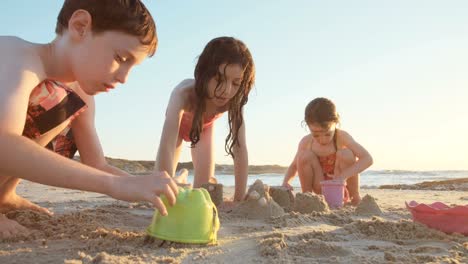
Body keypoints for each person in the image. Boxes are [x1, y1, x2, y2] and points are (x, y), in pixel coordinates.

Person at [0, 0, 179, 238]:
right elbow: (4, 143)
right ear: (80, 26)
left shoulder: (77, 92)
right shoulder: (16, 55)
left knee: (65, 100)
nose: (125, 78)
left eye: (132, 68)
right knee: (51, 100)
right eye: (120, 57)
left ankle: (4, 195)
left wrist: (146, 185)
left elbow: (96, 165)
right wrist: (114, 186)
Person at [154, 37, 255, 201]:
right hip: (176, 131)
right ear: (204, 73)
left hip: (204, 129)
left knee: (202, 189)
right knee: (162, 186)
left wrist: (238, 198)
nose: (226, 91)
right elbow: (167, 144)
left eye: (236, 83)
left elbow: (240, 147)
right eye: (219, 80)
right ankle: (180, 177)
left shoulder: (233, 102)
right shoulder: (183, 94)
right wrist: (165, 193)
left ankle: (184, 178)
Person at [282, 97, 373, 205]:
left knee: (346, 154)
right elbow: (294, 166)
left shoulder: (342, 137)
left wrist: (341, 177)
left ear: (336, 122)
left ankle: (355, 198)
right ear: (307, 125)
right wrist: (286, 182)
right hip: (320, 186)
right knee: (303, 156)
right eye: (316, 134)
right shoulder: (306, 142)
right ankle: (307, 198)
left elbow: (367, 159)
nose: (322, 140)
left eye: (327, 134)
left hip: (342, 186)